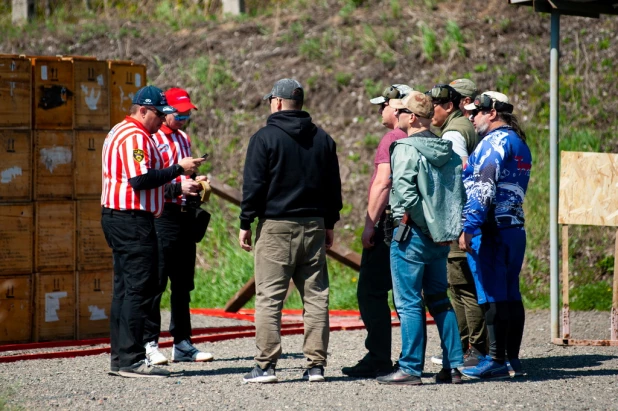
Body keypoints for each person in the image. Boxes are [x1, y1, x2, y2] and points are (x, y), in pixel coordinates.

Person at [238, 78, 342, 383]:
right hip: (314, 225)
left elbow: (254, 187)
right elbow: (333, 187)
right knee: (316, 297)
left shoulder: (264, 138)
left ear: (278, 102)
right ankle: (315, 366)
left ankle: (266, 366)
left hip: (276, 227)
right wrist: (330, 223)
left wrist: (246, 222)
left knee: (270, 297)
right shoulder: (323, 139)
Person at [101, 85, 203, 378]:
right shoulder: (135, 135)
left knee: (124, 289)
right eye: (159, 114)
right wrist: (178, 170)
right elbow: (141, 179)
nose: (162, 120)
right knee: (139, 288)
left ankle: (122, 358)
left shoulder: (120, 131)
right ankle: (132, 358)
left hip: (121, 216)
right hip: (131, 219)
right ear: (142, 110)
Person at [376, 91, 465, 386]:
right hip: (441, 238)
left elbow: (404, 195)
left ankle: (411, 368)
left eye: (401, 110)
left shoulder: (404, 148)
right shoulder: (448, 149)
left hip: (412, 234)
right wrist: (442, 229)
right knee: (440, 299)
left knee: (409, 302)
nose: (397, 114)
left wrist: (419, 225)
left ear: (412, 117)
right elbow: (457, 196)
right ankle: (453, 366)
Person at [458, 91, 531, 380]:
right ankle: (511, 359)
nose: (471, 118)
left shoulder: (494, 142)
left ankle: (496, 360)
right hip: (513, 227)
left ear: (492, 113)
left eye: (475, 112)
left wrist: (469, 226)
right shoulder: (518, 142)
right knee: (511, 292)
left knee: (491, 296)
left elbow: (483, 188)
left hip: (490, 229)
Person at [341, 84, 412, 379]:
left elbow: (383, 184)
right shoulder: (422, 137)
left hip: (388, 225)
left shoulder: (392, 138)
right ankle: (413, 358)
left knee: (370, 291)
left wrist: (370, 224)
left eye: (382, 105)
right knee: (410, 296)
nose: (379, 110)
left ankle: (379, 356)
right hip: (415, 226)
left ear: (395, 109)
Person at [142, 87, 214, 365]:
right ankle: (149, 343)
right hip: (163, 217)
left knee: (183, 285)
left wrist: (196, 182)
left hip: (185, 216)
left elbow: (186, 175)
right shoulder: (152, 139)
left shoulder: (184, 138)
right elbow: (147, 181)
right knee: (156, 282)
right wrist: (176, 187)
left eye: (187, 113)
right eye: (179, 113)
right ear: (164, 111)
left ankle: (182, 343)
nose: (183, 118)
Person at [426, 83, 487, 368]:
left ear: (448, 106)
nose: (430, 110)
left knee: (462, 286)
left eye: (434, 104)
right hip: (471, 219)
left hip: (461, 219)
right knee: (464, 284)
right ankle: (469, 348)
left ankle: (472, 348)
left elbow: (456, 179)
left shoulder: (453, 132)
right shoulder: (466, 126)